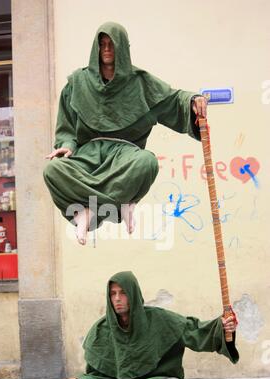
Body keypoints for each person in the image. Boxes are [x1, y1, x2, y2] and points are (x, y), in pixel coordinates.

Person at [43, 22, 207, 245]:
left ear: (123, 48)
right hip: (88, 157)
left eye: (112, 44)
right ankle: (121, 206)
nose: (108, 49)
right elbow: (66, 128)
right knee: (52, 170)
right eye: (103, 45)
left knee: (147, 162)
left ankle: (91, 212)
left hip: (125, 157)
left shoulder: (141, 82)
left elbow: (173, 99)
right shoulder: (77, 83)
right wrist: (67, 145)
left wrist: (192, 100)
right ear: (96, 48)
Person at [56, 271, 238, 379]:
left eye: (123, 292)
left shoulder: (159, 319)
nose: (117, 298)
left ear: (133, 294)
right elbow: (96, 376)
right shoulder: (100, 330)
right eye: (113, 293)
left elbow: (195, 331)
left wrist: (222, 327)